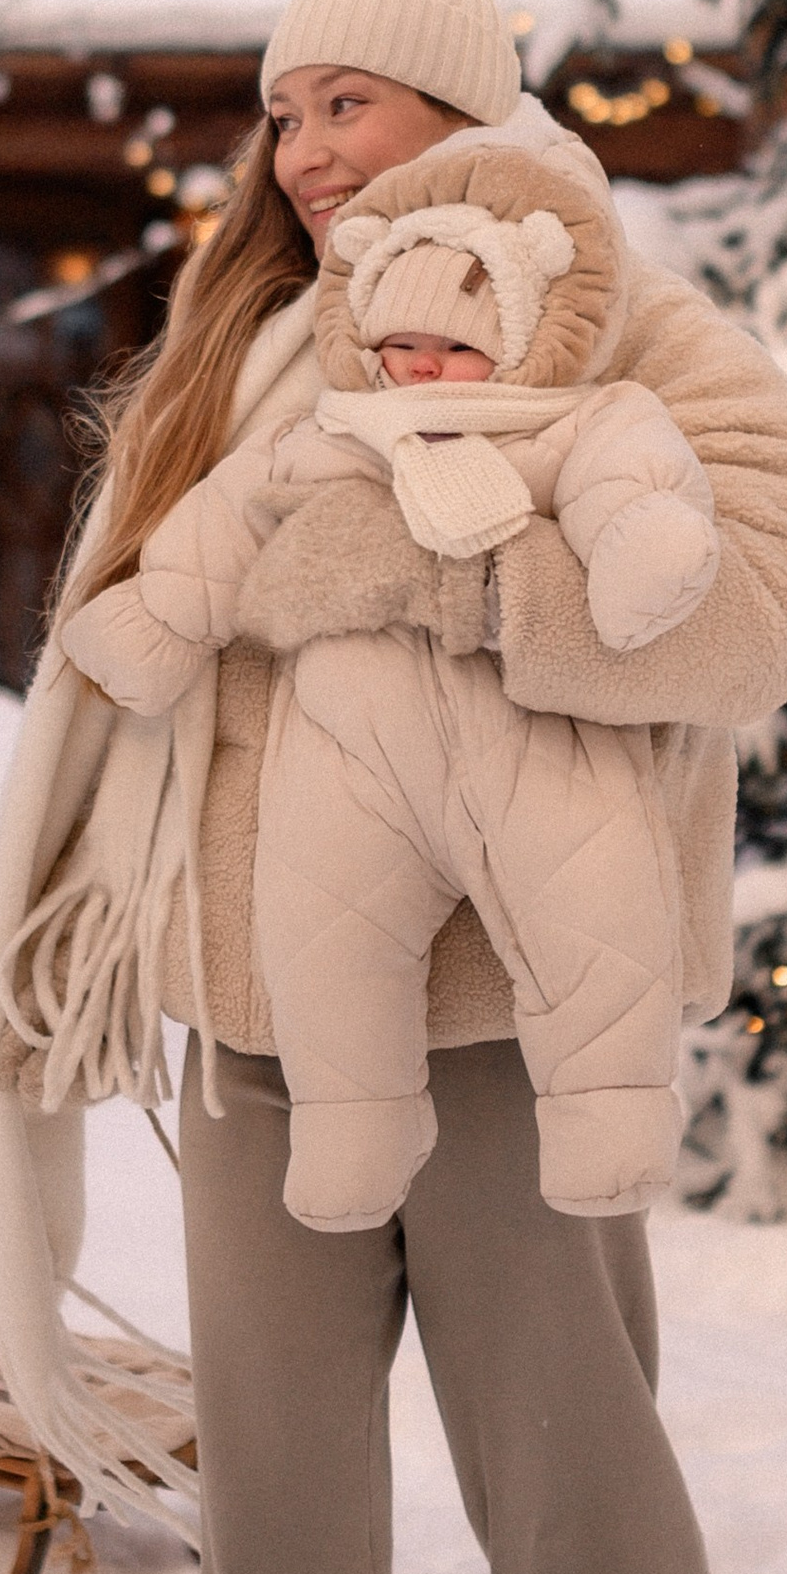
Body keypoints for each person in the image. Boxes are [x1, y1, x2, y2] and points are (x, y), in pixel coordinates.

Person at [0, 0, 787, 1574]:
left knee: (570, 1477)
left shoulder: (628, 325)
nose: (300, 151)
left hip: (518, 1003)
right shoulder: (253, 340)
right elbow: (157, 631)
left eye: (345, 103)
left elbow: (759, 612)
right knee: (272, 1501)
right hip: (257, 1001)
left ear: (463, 106)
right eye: (283, 114)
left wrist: (446, 578)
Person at [58, 157, 724, 1233]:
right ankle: (353, 1131)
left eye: (452, 345)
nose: (422, 365)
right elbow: (223, 528)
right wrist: (158, 619)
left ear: (517, 337)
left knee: (600, 918)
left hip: (538, 733)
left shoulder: (571, 420)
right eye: (402, 343)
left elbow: (630, 483)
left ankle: (612, 1124)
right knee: (324, 943)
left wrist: (640, 546)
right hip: (344, 744)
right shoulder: (329, 437)